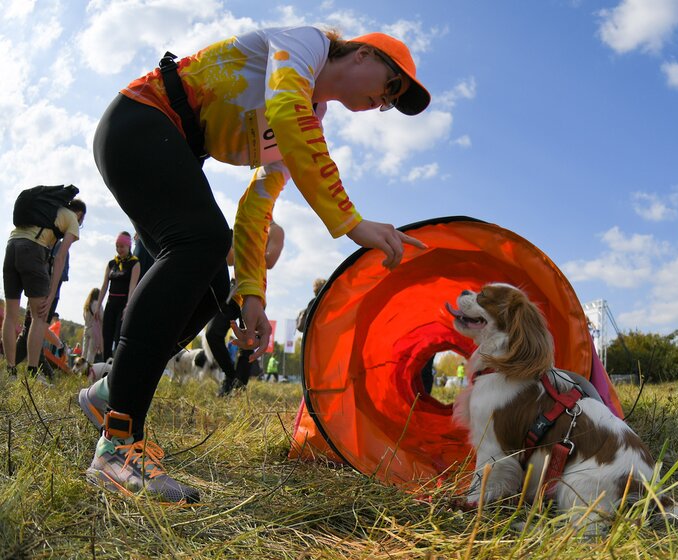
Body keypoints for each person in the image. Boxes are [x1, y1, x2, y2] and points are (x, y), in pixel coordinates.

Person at [78, 26, 430, 503]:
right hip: (140, 120)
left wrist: (252, 296)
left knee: (207, 283)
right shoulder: (307, 47)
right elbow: (286, 110)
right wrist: (352, 222)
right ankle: (117, 446)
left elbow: (255, 211)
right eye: (390, 86)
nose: (383, 103)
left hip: (171, 145)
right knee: (200, 241)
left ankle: (110, 391)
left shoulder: (307, 122)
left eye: (392, 102)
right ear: (363, 53)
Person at [3, 196, 85, 379]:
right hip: (33, 250)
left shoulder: (48, 210)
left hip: (12, 245)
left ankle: (10, 371)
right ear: (79, 215)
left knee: (10, 315)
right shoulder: (72, 219)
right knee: (40, 316)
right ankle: (32, 371)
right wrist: (51, 292)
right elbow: (60, 258)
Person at [207, 221, 284, 397]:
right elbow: (230, 260)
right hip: (234, 289)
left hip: (254, 289)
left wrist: (247, 248)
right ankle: (230, 375)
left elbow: (270, 261)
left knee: (248, 343)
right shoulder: (244, 226)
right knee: (212, 333)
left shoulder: (275, 230)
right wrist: (226, 242)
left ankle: (239, 387)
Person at [96, 232, 140, 360]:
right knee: (106, 336)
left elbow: (133, 287)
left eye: (122, 247)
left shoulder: (135, 263)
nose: (119, 249)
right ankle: (105, 366)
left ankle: (116, 367)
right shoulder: (112, 264)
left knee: (118, 337)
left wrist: (128, 306)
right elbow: (104, 286)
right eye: (117, 246)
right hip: (111, 303)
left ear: (128, 246)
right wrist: (98, 305)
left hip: (123, 304)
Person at [82, 288, 103, 365]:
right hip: (94, 330)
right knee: (91, 353)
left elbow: (84, 317)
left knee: (84, 352)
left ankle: (81, 370)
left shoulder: (86, 305)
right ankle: (88, 371)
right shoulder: (97, 304)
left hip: (86, 328)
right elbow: (102, 317)